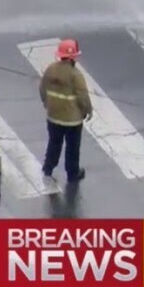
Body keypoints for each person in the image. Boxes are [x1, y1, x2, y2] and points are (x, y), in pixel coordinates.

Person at [39, 38, 92, 184]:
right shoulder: (76, 75)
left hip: (53, 117)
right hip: (72, 121)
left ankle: (48, 168)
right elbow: (82, 97)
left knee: (54, 144)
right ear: (72, 57)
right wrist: (88, 110)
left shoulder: (51, 69)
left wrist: (47, 104)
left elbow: (42, 89)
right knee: (72, 149)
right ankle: (72, 173)